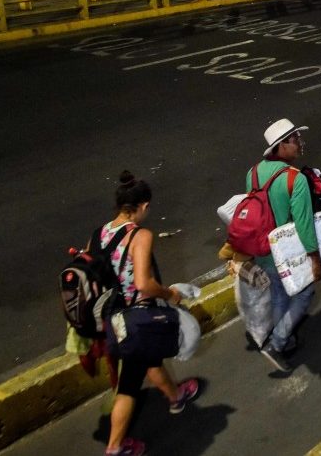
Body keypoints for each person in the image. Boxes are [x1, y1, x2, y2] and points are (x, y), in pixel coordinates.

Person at [99, 171, 199, 456]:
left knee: (147, 362)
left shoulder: (99, 234)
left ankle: (176, 397)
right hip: (136, 318)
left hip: (112, 318)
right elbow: (143, 283)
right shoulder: (140, 236)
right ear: (142, 206)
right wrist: (170, 294)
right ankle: (115, 447)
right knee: (130, 383)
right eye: (148, 207)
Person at [248, 118, 321, 373]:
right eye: (295, 140)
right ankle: (276, 343)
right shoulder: (295, 179)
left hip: (262, 250)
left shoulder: (254, 172)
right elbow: (304, 225)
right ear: (281, 147)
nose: (300, 144)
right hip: (287, 253)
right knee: (304, 294)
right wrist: (315, 259)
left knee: (280, 294)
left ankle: (285, 337)